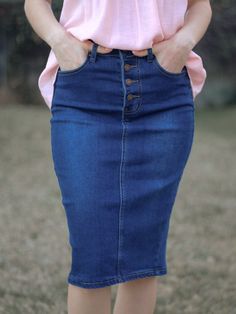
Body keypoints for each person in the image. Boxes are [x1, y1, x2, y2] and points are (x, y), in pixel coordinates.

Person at [24, 0, 212, 313]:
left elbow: (200, 6)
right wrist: (60, 42)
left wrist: (183, 43)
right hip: (85, 86)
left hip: (162, 89)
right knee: (92, 256)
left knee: (142, 256)